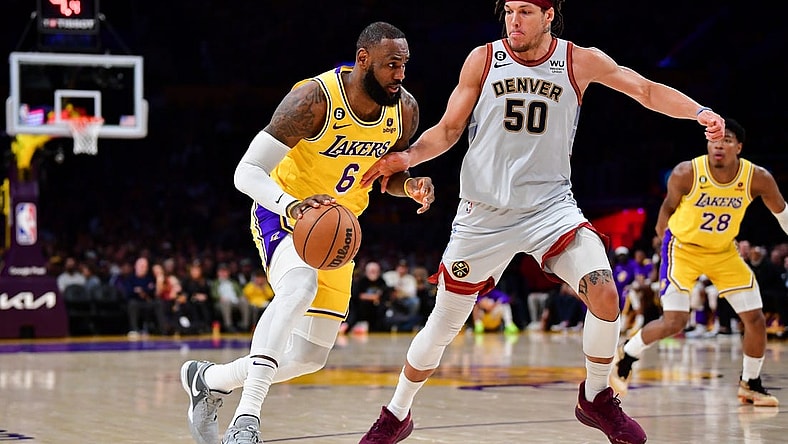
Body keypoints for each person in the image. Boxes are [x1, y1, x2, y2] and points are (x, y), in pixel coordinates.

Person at [357, 2, 725, 443]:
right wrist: (410, 155)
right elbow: (450, 129)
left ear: (549, 16)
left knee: (606, 293)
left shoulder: (577, 60)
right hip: (484, 213)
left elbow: (644, 90)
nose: (514, 21)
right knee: (442, 325)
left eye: (525, 12)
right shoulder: (483, 58)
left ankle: (596, 396)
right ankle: (397, 413)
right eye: (509, 10)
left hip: (550, 208)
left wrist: (698, 111)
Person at [179, 22, 435, 444]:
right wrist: (291, 206)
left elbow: (385, 175)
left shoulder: (403, 110)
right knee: (298, 287)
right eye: (392, 65)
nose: (401, 74)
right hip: (283, 211)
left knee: (309, 356)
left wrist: (408, 186)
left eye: (405, 65)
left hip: (338, 231)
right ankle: (246, 421)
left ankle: (210, 380)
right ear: (364, 60)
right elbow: (247, 171)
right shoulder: (314, 99)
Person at [611, 118, 788, 407]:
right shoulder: (687, 172)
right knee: (674, 321)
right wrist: (663, 243)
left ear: (739, 147)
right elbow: (666, 210)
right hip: (683, 249)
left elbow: (782, 214)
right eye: (714, 139)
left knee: (755, 318)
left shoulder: (757, 178)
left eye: (727, 139)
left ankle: (750, 383)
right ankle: (626, 355)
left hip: (722, 252)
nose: (719, 144)